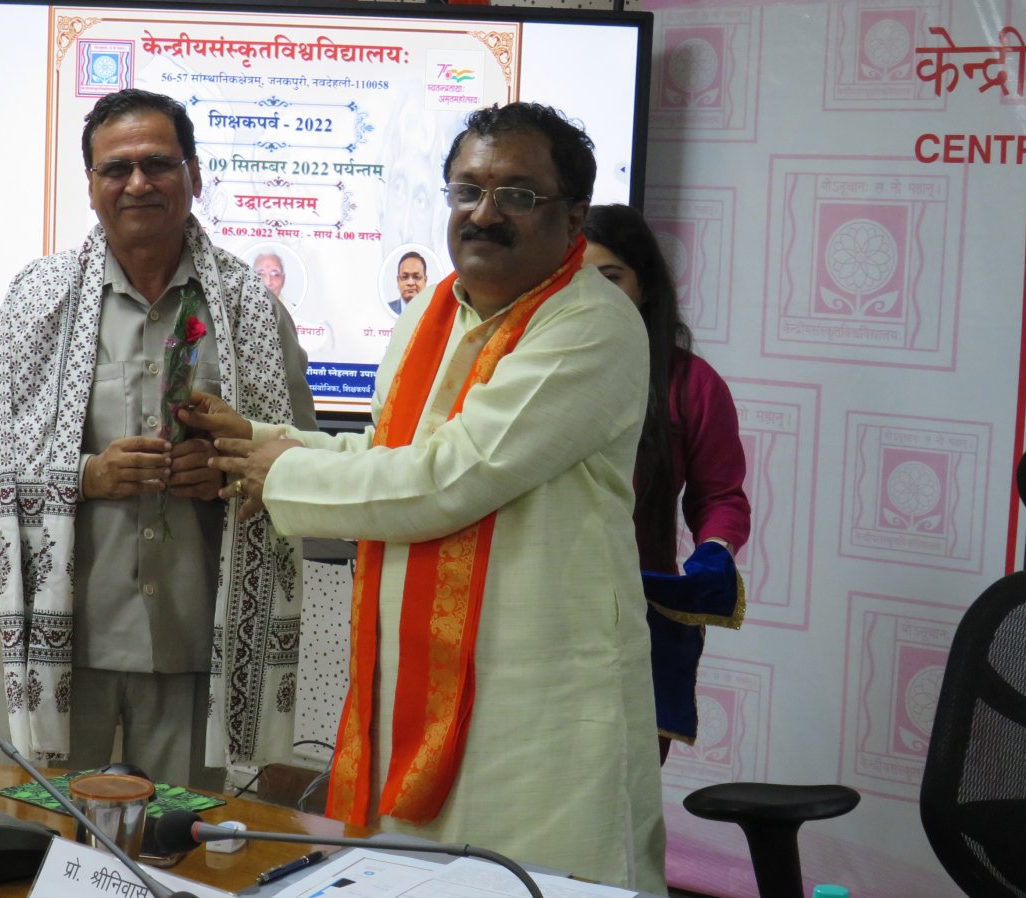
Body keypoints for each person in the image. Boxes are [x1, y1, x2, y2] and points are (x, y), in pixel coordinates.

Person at [182, 102, 665, 891]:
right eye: (467, 190)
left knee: (535, 881)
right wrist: (259, 443)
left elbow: (450, 478)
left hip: (539, 695)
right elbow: (391, 460)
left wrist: (280, 471)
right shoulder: (430, 316)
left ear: (574, 214)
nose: (485, 213)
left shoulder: (591, 325)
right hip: (416, 679)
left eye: (518, 195)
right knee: (411, 877)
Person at [0, 89, 316, 790]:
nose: (138, 183)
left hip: (197, 643)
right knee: (44, 829)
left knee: (179, 838)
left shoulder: (251, 308)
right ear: (91, 186)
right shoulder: (38, 300)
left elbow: (300, 458)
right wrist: (87, 476)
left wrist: (230, 472)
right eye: (116, 169)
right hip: (62, 642)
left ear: (194, 175)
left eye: (159, 164)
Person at [582, 205, 750, 763]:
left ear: (646, 287)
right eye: (576, 280)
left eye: (610, 278)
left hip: (637, 613)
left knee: (622, 785)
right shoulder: (527, 371)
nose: (593, 296)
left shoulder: (691, 383)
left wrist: (715, 552)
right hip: (538, 612)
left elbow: (720, 496)